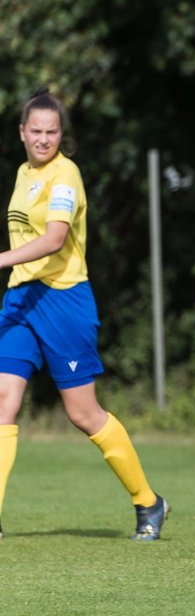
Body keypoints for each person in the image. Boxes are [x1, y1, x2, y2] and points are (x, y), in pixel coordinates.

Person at [0, 88, 168, 540]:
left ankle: (149, 503)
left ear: (60, 135)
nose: (42, 139)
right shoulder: (21, 173)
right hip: (20, 300)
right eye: (34, 131)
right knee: (2, 401)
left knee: (82, 414)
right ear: (21, 132)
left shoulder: (66, 175)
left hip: (63, 301)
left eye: (51, 132)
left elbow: (55, 240)